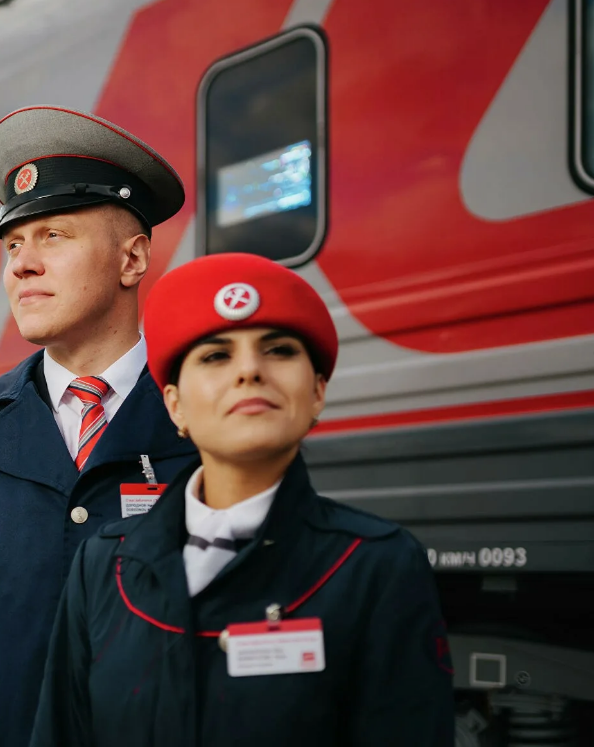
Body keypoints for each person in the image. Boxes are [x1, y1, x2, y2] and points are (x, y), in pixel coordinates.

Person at [30, 253, 455, 746]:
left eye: (278, 350)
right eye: (216, 356)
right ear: (175, 405)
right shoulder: (104, 565)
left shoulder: (378, 565)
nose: (250, 371)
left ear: (316, 392)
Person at [0, 106, 200, 747]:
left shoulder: (203, 424)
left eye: (54, 236)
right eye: (14, 245)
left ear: (131, 259)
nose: (23, 264)